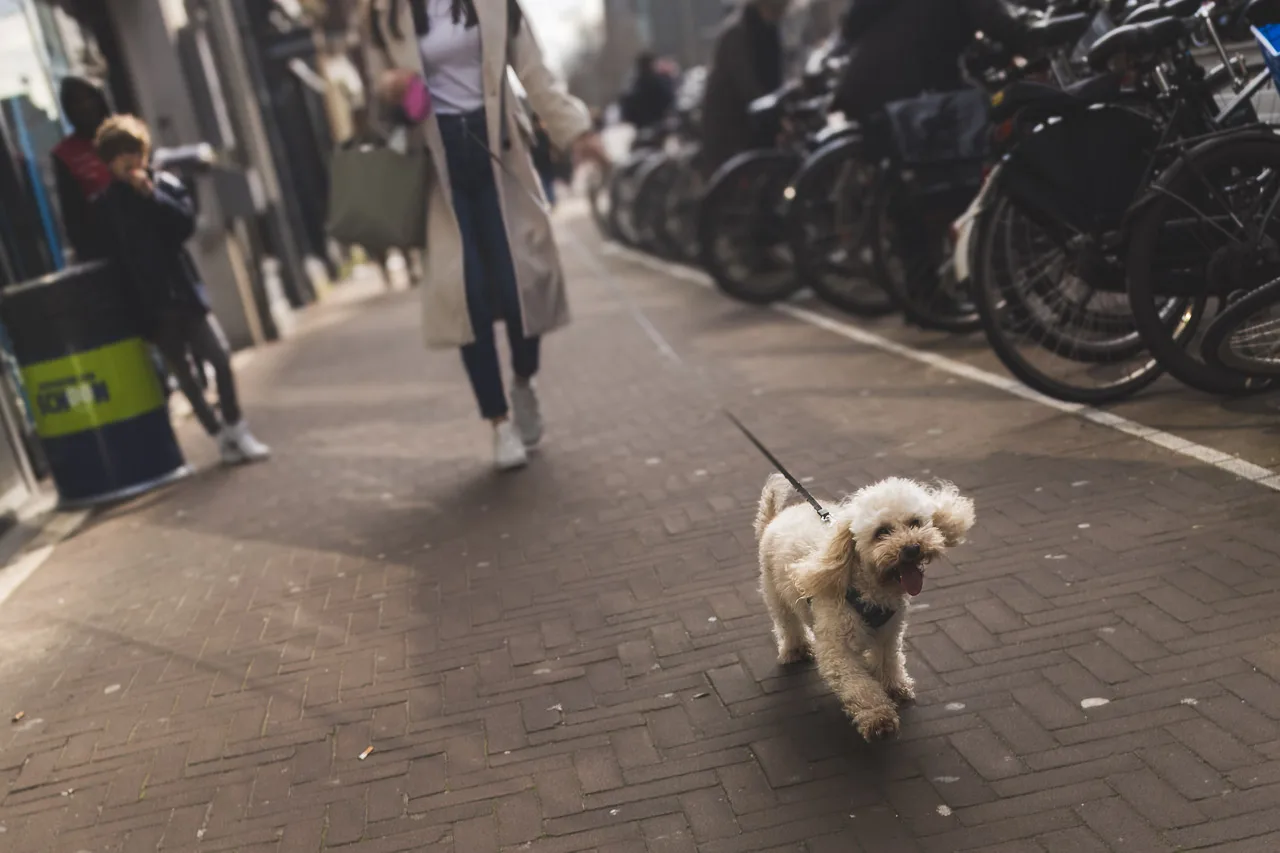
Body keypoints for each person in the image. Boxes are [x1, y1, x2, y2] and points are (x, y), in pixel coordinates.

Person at [365, 0, 607, 471]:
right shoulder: (385, 12)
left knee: (522, 284)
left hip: (499, 149)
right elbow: (377, 97)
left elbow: (535, 74)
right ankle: (498, 424)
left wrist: (576, 131)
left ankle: (523, 379)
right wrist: (390, 87)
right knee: (468, 296)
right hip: (438, 168)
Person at [91, 115, 271, 465]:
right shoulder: (105, 205)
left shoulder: (164, 184)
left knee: (219, 356)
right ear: (109, 161)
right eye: (121, 155)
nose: (131, 161)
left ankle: (236, 425)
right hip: (149, 304)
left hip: (183, 291)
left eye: (135, 152)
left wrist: (151, 195)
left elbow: (184, 224)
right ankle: (219, 436)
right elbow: (110, 255)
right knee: (184, 375)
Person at [833, 0, 1038, 121]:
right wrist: (1035, 42)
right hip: (902, 88)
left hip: (864, 82)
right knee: (984, 115)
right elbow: (996, 21)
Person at [698, 0, 790, 178]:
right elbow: (746, 86)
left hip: (754, 121)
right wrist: (774, 110)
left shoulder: (770, 29)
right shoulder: (738, 33)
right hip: (732, 127)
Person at [51, 77, 113, 264]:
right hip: (106, 249)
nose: (84, 107)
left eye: (88, 99)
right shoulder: (65, 154)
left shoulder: (126, 134)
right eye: (76, 102)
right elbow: (73, 218)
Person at [618, 52, 675, 140]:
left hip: (639, 129)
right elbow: (669, 99)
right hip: (657, 126)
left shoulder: (634, 85)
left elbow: (625, 105)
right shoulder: (658, 82)